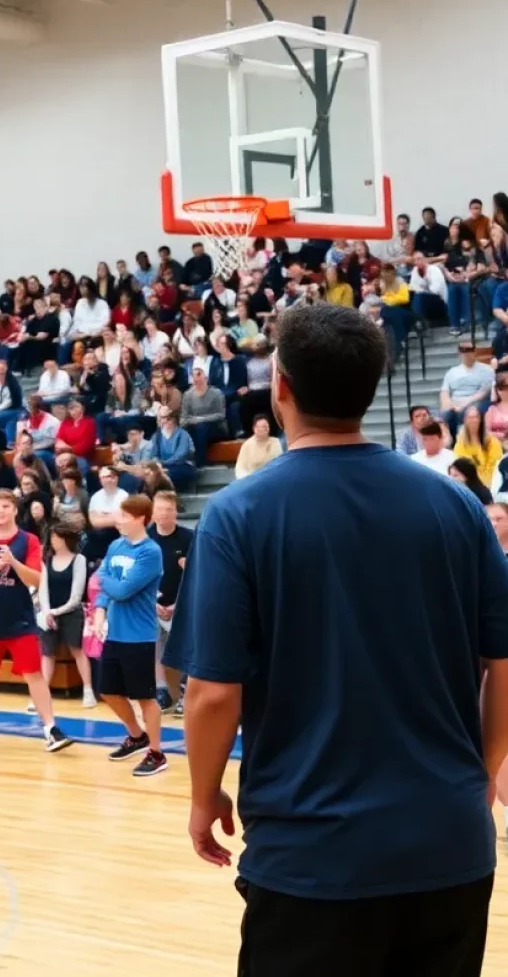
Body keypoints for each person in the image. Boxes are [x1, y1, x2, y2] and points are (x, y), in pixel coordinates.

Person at [165, 303, 508, 975]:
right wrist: (485, 770)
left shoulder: (237, 515)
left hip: (313, 858)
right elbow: (503, 661)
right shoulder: (457, 506)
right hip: (450, 845)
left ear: (281, 387)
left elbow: (210, 694)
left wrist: (204, 797)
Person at [0, 489, 73, 752]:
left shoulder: (29, 540)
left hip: (20, 620)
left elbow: (35, 579)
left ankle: (50, 728)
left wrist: (12, 562)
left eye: (4, 506)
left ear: (14, 510)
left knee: (34, 674)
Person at [93, 494, 167, 777]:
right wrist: (100, 610)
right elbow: (107, 590)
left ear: (140, 519)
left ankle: (157, 753)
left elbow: (122, 590)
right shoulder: (115, 545)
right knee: (108, 690)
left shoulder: (150, 552)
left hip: (140, 635)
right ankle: (137, 736)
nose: (118, 520)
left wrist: (104, 579)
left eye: (123, 516)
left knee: (144, 697)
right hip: (116, 632)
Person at [37, 524, 95, 708]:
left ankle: (88, 690)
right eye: (51, 537)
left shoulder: (79, 560)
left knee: (77, 650)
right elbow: (42, 589)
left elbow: (76, 596)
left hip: (71, 612)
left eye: (56, 537)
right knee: (47, 653)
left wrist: (56, 612)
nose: (52, 541)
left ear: (65, 539)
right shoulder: (47, 560)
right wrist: (47, 611)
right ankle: (42, 693)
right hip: (49, 613)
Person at [147, 489, 192, 715]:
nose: (164, 514)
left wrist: (177, 605)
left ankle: (186, 691)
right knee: (153, 646)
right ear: (153, 513)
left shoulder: (188, 538)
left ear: (176, 512)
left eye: (169, 509)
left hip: (181, 604)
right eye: (160, 509)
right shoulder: (145, 537)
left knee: (187, 646)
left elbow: (196, 575)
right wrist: (153, 603)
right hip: (151, 605)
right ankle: (161, 690)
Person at [441, 341, 495, 440]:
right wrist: (448, 404)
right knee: (444, 415)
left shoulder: (487, 370)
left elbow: (483, 392)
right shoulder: (452, 372)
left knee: (465, 412)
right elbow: (444, 392)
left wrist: (464, 403)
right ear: (459, 353)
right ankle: (450, 442)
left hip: (476, 402)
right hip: (455, 403)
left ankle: (463, 441)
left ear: (475, 352)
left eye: (470, 351)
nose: (467, 354)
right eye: (463, 351)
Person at [234, 415, 284, 479]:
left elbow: (279, 463)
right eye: (259, 427)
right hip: (253, 479)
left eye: (265, 427)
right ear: (254, 428)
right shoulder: (247, 445)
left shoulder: (276, 442)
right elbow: (240, 468)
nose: (263, 429)